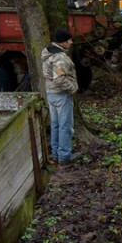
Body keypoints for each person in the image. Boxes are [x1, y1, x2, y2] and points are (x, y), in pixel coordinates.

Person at [42, 27, 80, 165]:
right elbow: (59, 79)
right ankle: (64, 156)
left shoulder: (48, 53)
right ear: (63, 42)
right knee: (65, 126)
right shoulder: (60, 58)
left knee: (56, 125)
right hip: (61, 95)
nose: (71, 42)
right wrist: (72, 89)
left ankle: (56, 154)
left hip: (51, 93)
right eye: (69, 40)